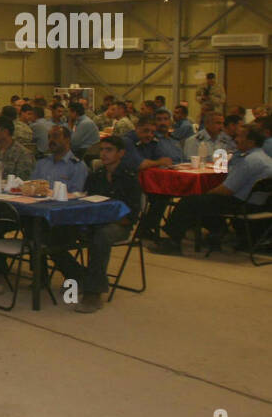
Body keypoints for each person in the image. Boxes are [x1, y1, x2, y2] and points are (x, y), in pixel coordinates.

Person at [46, 136, 140, 313]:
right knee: (54, 235)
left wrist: (107, 216)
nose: (103, 154)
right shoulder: (95, 176)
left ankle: (93, 292)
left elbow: (132, 214)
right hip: (90, 222)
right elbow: (86, 201)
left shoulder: (130, 178)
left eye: (109, 150)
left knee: (101, 236)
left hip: (118, 225)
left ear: (121, 153)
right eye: (102, 150)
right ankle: (78, 275)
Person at [154, 124, 272, 255]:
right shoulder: (265, 158)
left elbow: (227, 190)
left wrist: (205, 192)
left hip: (241, 204)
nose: (236, 139)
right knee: (201, 201)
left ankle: (173, 242)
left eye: (239, 136)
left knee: (190, 201)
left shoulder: (248, 161)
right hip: (259, 204)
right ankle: (218, 232)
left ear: (250, 141)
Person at [32, 126, 88, 192]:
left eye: (55, 137)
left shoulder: (77, 166)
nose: (51, 140)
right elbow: (32, 186)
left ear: (67, 139)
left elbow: (76, 195)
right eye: (49, 137)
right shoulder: (42, 162)